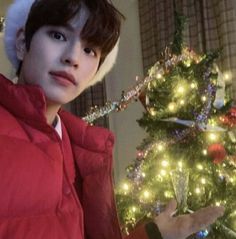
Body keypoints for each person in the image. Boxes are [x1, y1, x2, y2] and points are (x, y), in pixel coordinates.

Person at [0, 0, 224, 238]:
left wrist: (151, 235)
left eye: (89, 50)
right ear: (23, 43)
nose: (73, 57)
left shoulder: (80, 147)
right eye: (58, 35)